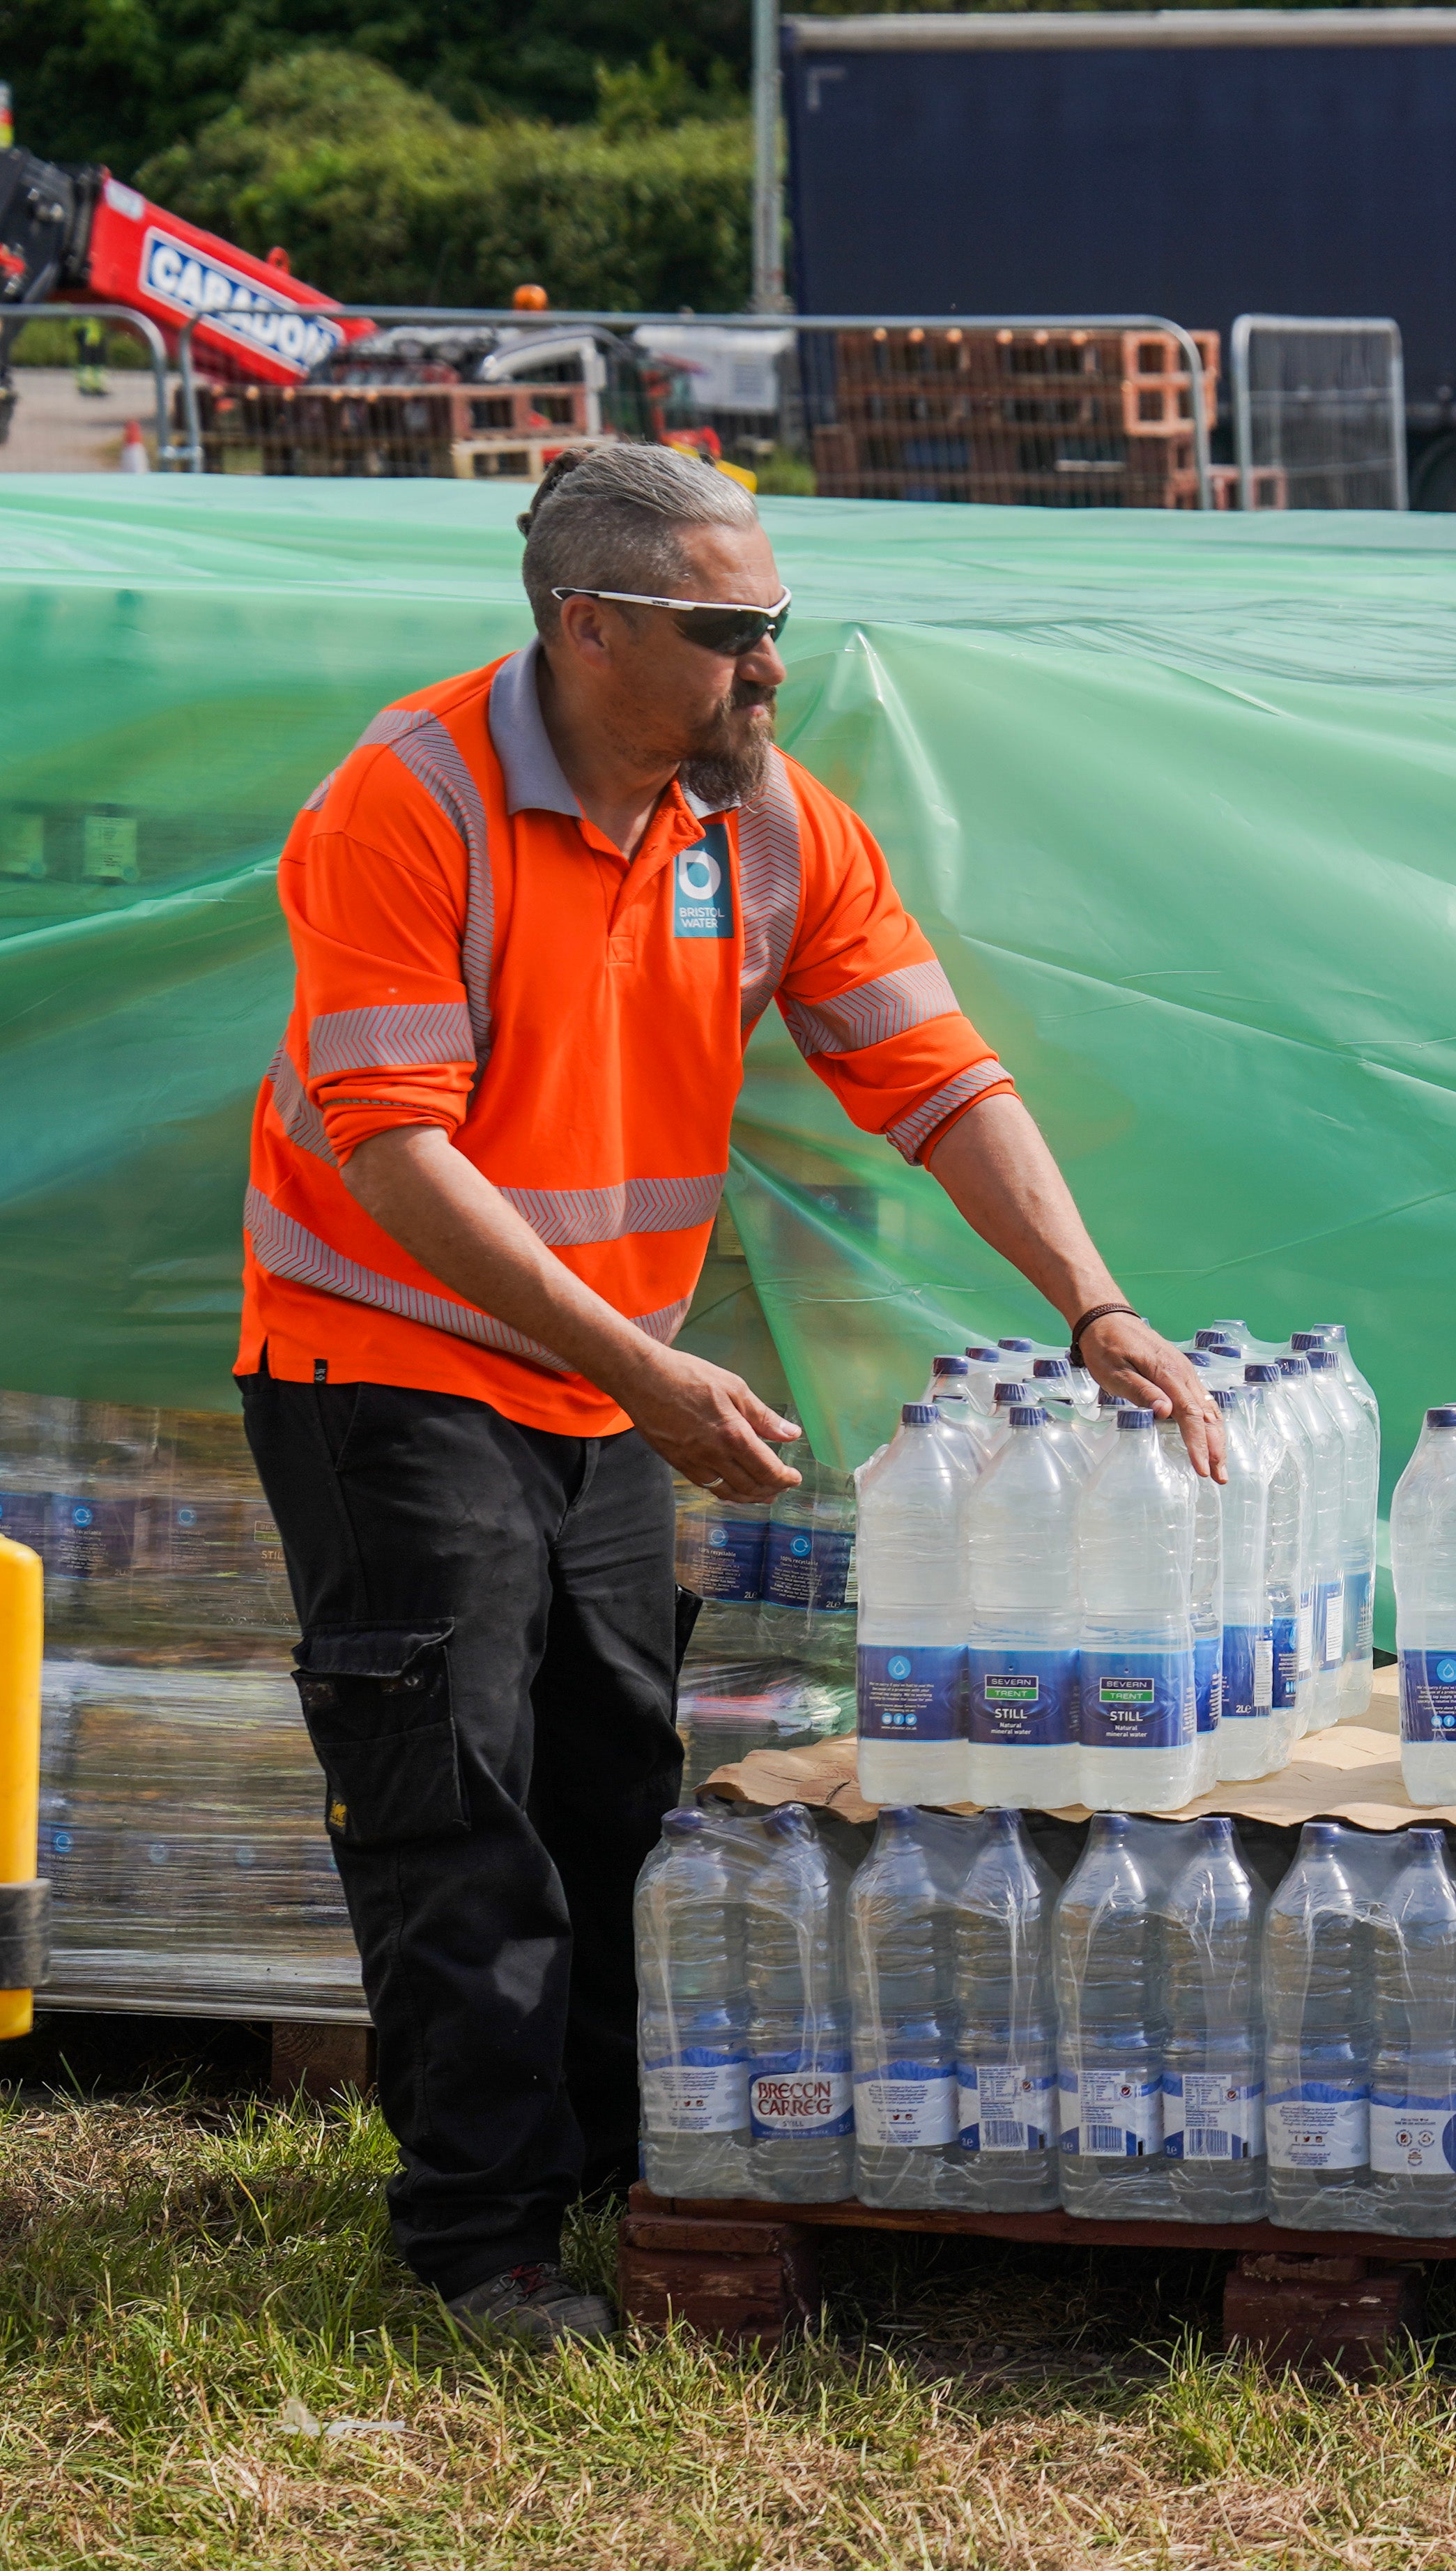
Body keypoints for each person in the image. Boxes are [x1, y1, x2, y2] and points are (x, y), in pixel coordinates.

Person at [238, 443, 1222, 2345]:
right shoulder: (408, 801)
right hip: (390, 1369)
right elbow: (391, 1151)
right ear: (586, 626)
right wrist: (637, 1368)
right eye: (725, 632)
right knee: (460, 1801)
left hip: (602, 1388)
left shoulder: (761, 821)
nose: (768, 663)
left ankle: (608, 2172)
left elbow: (939, 1078)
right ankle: (479, 2246)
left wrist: (1097, 1305)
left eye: (774, 621)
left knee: (611, 1787)